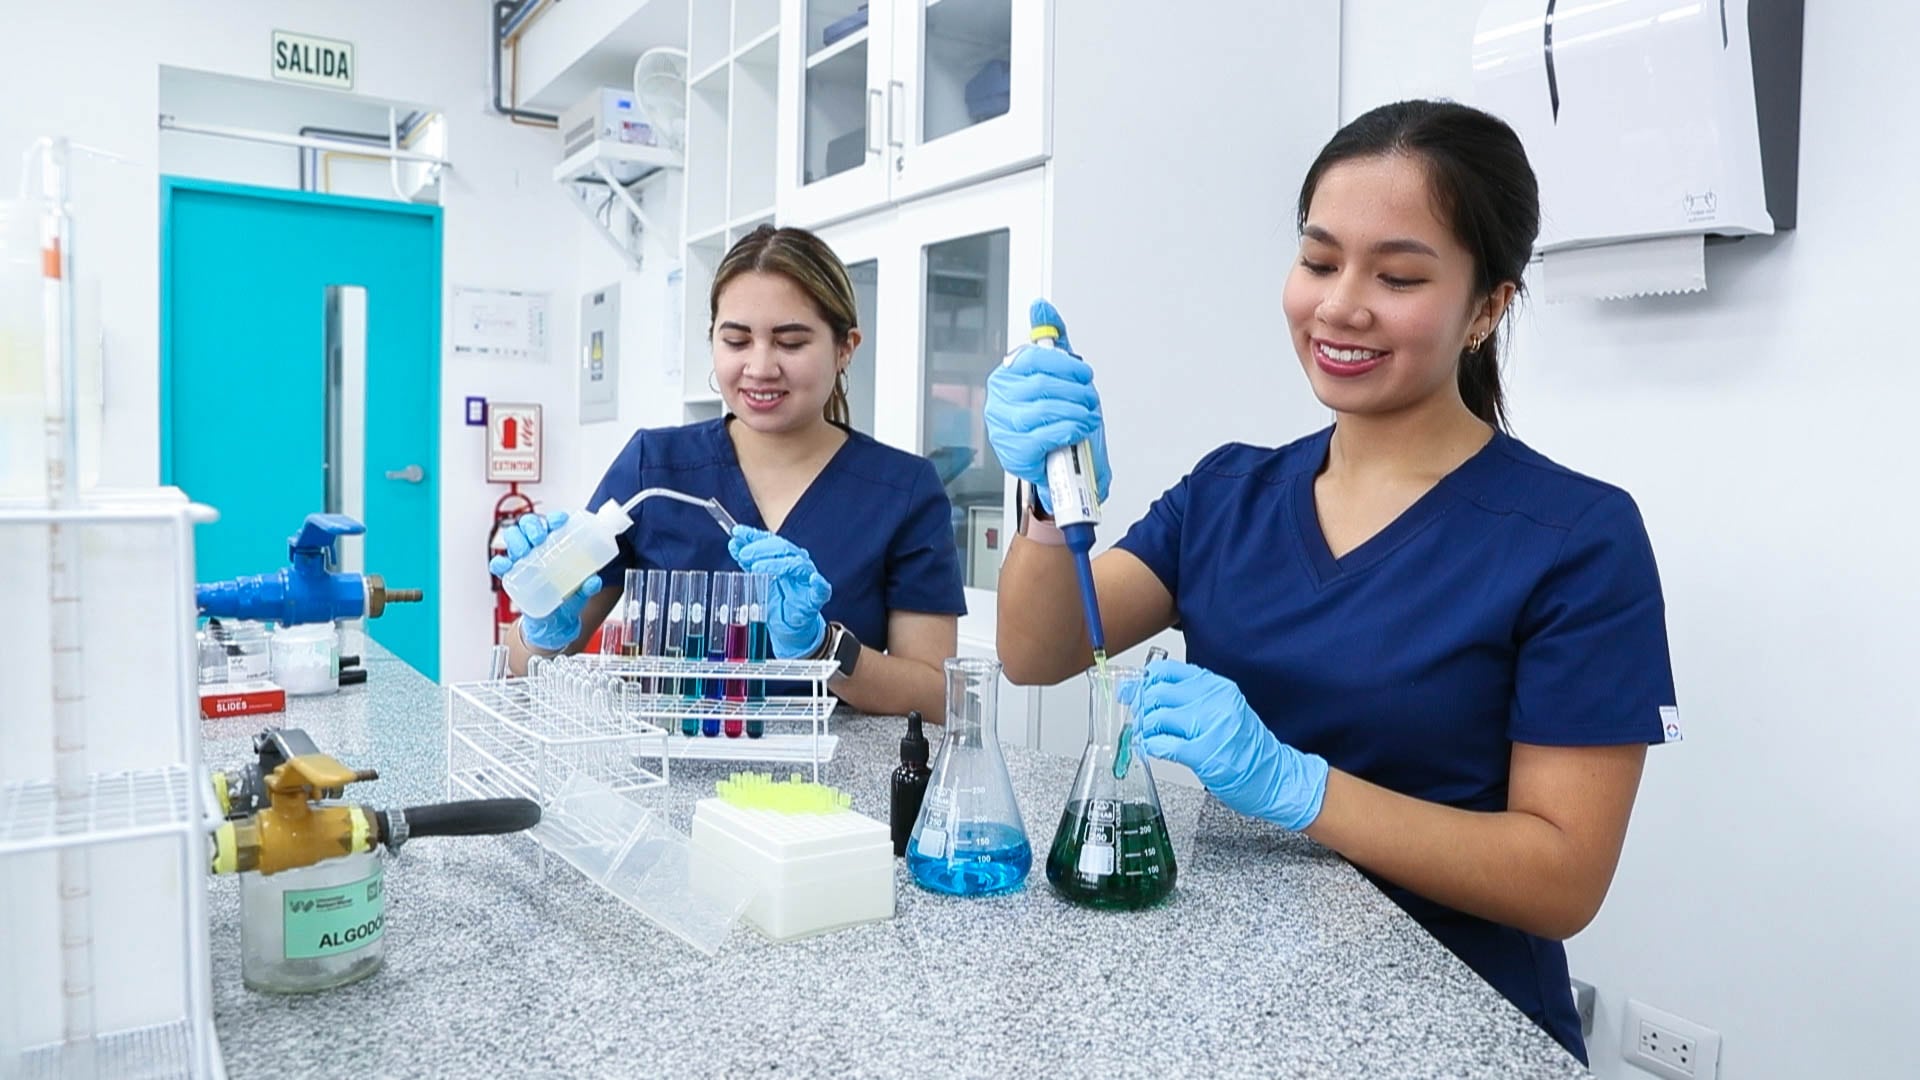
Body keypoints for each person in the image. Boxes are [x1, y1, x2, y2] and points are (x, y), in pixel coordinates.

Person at [984, 100, 1676, 1063]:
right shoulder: (1231, 491)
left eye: (1397, 276)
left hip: (1449, 1025)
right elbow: (1040, 650)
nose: (1340, 304)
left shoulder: (1576, 538)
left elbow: (1562, 876)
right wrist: (1045, 495)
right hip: (1228, 995)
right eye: (1318, 261)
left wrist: (1300, 788)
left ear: (1488, 307)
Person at [492, 225, 965, 721]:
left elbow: (938, 697)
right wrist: (539, 628)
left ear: (846, 347)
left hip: (830, 788)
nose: (760, 367)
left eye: (791, 342)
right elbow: (526, 669)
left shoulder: (904, 490)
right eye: (737, 340)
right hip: (665, 775)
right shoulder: (653, 466)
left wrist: (823, 647)